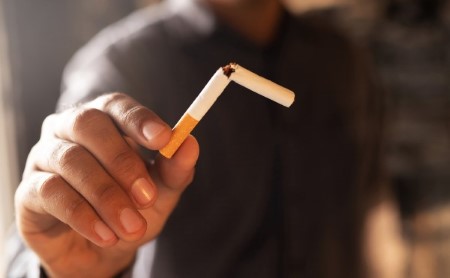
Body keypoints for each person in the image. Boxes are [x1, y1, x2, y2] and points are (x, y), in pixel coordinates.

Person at [7, 0, 384, 277]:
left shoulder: (343, 61)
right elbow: (37, 250)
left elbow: (362, 209)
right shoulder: (122, 67)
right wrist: (60, 271)